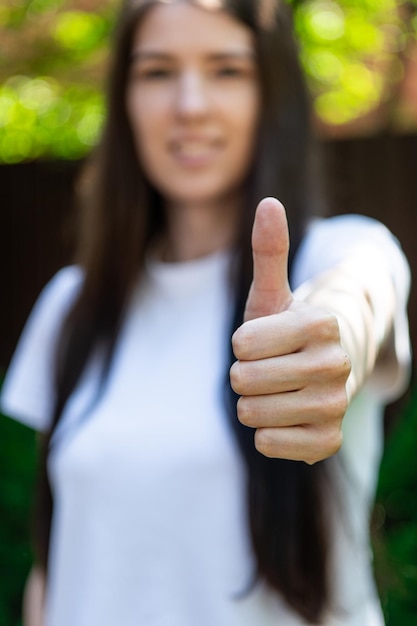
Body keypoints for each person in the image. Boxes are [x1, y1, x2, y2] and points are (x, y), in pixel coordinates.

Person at [0, 1, 411, 625]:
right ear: (125, 101)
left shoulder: (344, 249)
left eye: (227, 70)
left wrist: (327, 351)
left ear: (272, 94)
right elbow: (59, 562)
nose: (190, 105)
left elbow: (356, 298)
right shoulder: (71, 304)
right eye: (158, 72)